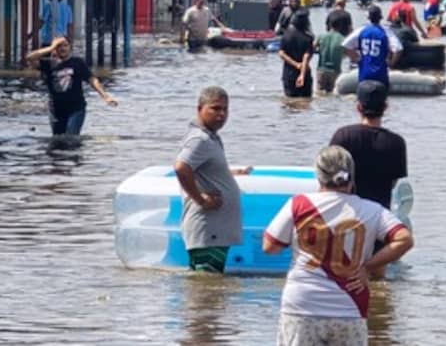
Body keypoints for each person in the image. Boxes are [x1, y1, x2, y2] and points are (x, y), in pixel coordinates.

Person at [263, 146, 414, 346]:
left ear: (318, 177)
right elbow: (404, 239)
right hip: (349, 308)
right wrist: (367, 267)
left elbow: (270, 246)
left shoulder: (299, 204)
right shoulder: (372, 210)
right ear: (351, 177)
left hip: (302, 306)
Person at [174, 86, 252, 273]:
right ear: (200, 109)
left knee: (209, 291)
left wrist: (229, 175)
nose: (221, 114)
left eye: (225, 109)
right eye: (215, 108)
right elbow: (181, 167)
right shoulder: (199, 139)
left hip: (215, 230)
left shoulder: (210, 138)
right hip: (208, 230)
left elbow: (202, 171)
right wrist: (200, 199)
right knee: (205, 292)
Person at [330, 81, 407, 211]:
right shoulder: (396, 143)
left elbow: (329, 177)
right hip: (380, 216)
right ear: (385, 107)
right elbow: (393, 183)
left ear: (359, 107)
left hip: (347, 215)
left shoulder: (343, 136)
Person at [25, 35, 117, 135]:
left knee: (71, 137)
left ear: (70, 47)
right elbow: (29, 57)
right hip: (56, 110)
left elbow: (92, 79)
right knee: (58, 140)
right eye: (59, 46)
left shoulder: (78, 63)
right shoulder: (48, 64)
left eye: (65, 45)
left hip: (76, 108)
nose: (63, 48)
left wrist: (105, 96)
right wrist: (50, 48)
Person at [343, 5, 402, 88]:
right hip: (381, 74)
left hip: (364, 74)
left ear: (368, 17)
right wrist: (391, 63)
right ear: (380, 18)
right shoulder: (386, 31)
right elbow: (398, 49)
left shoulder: (361, 30)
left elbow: (345, 45)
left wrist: (357, 59)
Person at [278, 10, 314, 98]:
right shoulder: (308, 37)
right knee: (305, 104)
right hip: (305, 74)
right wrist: (302, 74)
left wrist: (296, 64)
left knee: (289, 104)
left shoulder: (286, 36)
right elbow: (306, 57)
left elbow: (281, 53)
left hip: (288, 75)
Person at [314, 15, 346, 93]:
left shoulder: (321, 36)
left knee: (320, 94)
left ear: (329, 25)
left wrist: (319, 51)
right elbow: (349, 53)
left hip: (322, 70)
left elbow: (312, 48)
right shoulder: (342, 39)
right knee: (333, 94)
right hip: (335, 71)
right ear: (340, 26)